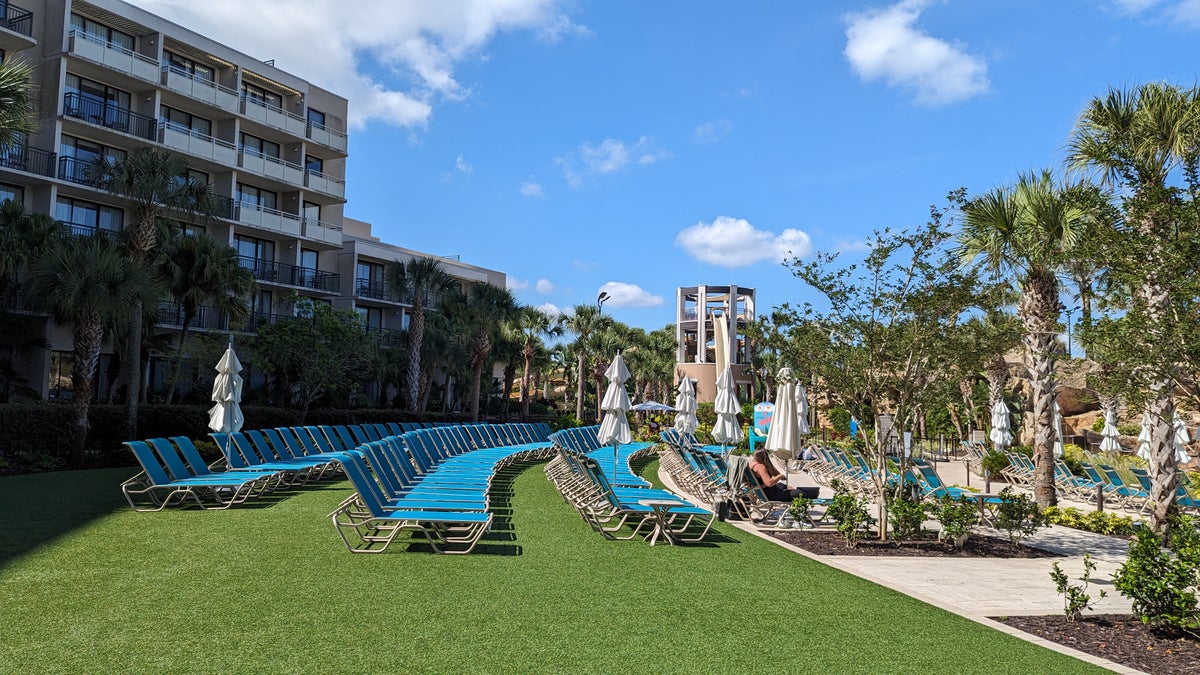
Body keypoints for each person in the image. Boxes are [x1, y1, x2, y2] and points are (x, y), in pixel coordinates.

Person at [749, 449, 819, 501]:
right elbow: (769, 483)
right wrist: (779, 477)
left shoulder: (752, 464)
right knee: (800, 494)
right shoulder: (761, 467)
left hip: (766, 491)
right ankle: (812, 494)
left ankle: (814, 492)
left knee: (783, 486)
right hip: (772, 494)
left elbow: (776, 474)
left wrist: (771, 468)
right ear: (765, 457)